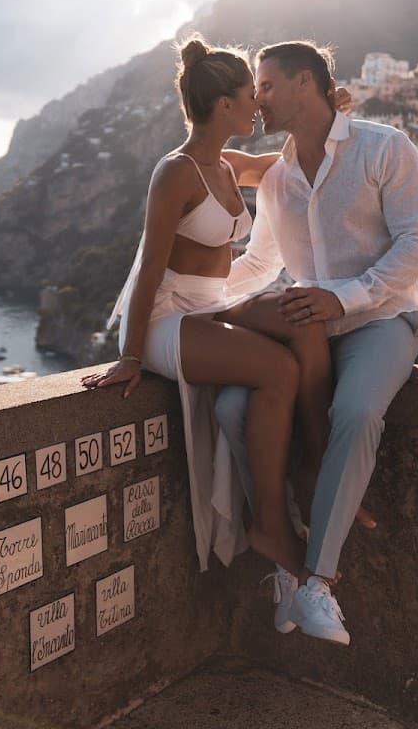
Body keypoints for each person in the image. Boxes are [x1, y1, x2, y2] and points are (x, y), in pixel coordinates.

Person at [81, 36, 349, 579]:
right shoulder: (175, 171)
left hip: (211, 307)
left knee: (305, 318)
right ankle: (271, 525)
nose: (261, 105)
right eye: (254, 94)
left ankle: (321, 469)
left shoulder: (227, 165)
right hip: (164, 320)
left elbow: (288, 159)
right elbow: (150, 267)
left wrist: (327, 113)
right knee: (277, 369)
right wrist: (131, 357)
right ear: (225, 104)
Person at [216, 41, 418, 645]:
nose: (255, 98)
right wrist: (188, 295)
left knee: (358, 410)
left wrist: (347, 296)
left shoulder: (384, 147)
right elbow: (261, 263)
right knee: (233, 406)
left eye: (264, 85)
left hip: (381, 320)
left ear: (305, 83)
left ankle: (319, 581)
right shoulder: (278, 180)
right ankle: (286, 555)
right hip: (307, 331)